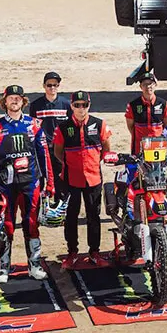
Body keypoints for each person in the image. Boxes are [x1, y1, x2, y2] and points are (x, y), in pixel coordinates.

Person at [0, 85, 55, 282]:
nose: (14, 101)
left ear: (23, 101)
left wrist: (50, 183)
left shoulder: (35, 125)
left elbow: (44, 155)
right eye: (10, 98)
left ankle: (35, 265)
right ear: (4, 102)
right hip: (6, 186)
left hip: (31, 183)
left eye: (18, 98)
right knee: (7, 226)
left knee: (32, 224)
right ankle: (4, 267)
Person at [51, 91, 112, 267]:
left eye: (83, 105)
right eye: (77, 105)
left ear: (89, 105)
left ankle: (94, 252)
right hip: (71, 179)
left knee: (94, 215)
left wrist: (92, 164)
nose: (80, 108)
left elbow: (106, 148)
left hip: (93, 178)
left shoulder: (99, 124)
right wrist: (70, 165)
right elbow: (57, 151)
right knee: (71, 216)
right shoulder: (63, 127)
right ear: (71, 106)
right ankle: (72, 252)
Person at [29, 71, 72, 196]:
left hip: (60, 147)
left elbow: (70, 125)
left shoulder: (65, 104)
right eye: (49, 85)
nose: (52, 88)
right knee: (42, 175)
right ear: (44, 86)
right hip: (43, 147)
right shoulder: (36, 105)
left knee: (61, 176)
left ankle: (61, 203)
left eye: (55, 85)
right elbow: (33, 126)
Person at [125, 70, 167, 155]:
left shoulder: (163, 104)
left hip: (158, 146)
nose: (148, 87)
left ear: (155, 85)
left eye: (150, 83)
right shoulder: (133, 105)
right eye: (145, 84)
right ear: (140, 87)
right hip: (139, 147)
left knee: (158, 168)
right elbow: (131, 127)